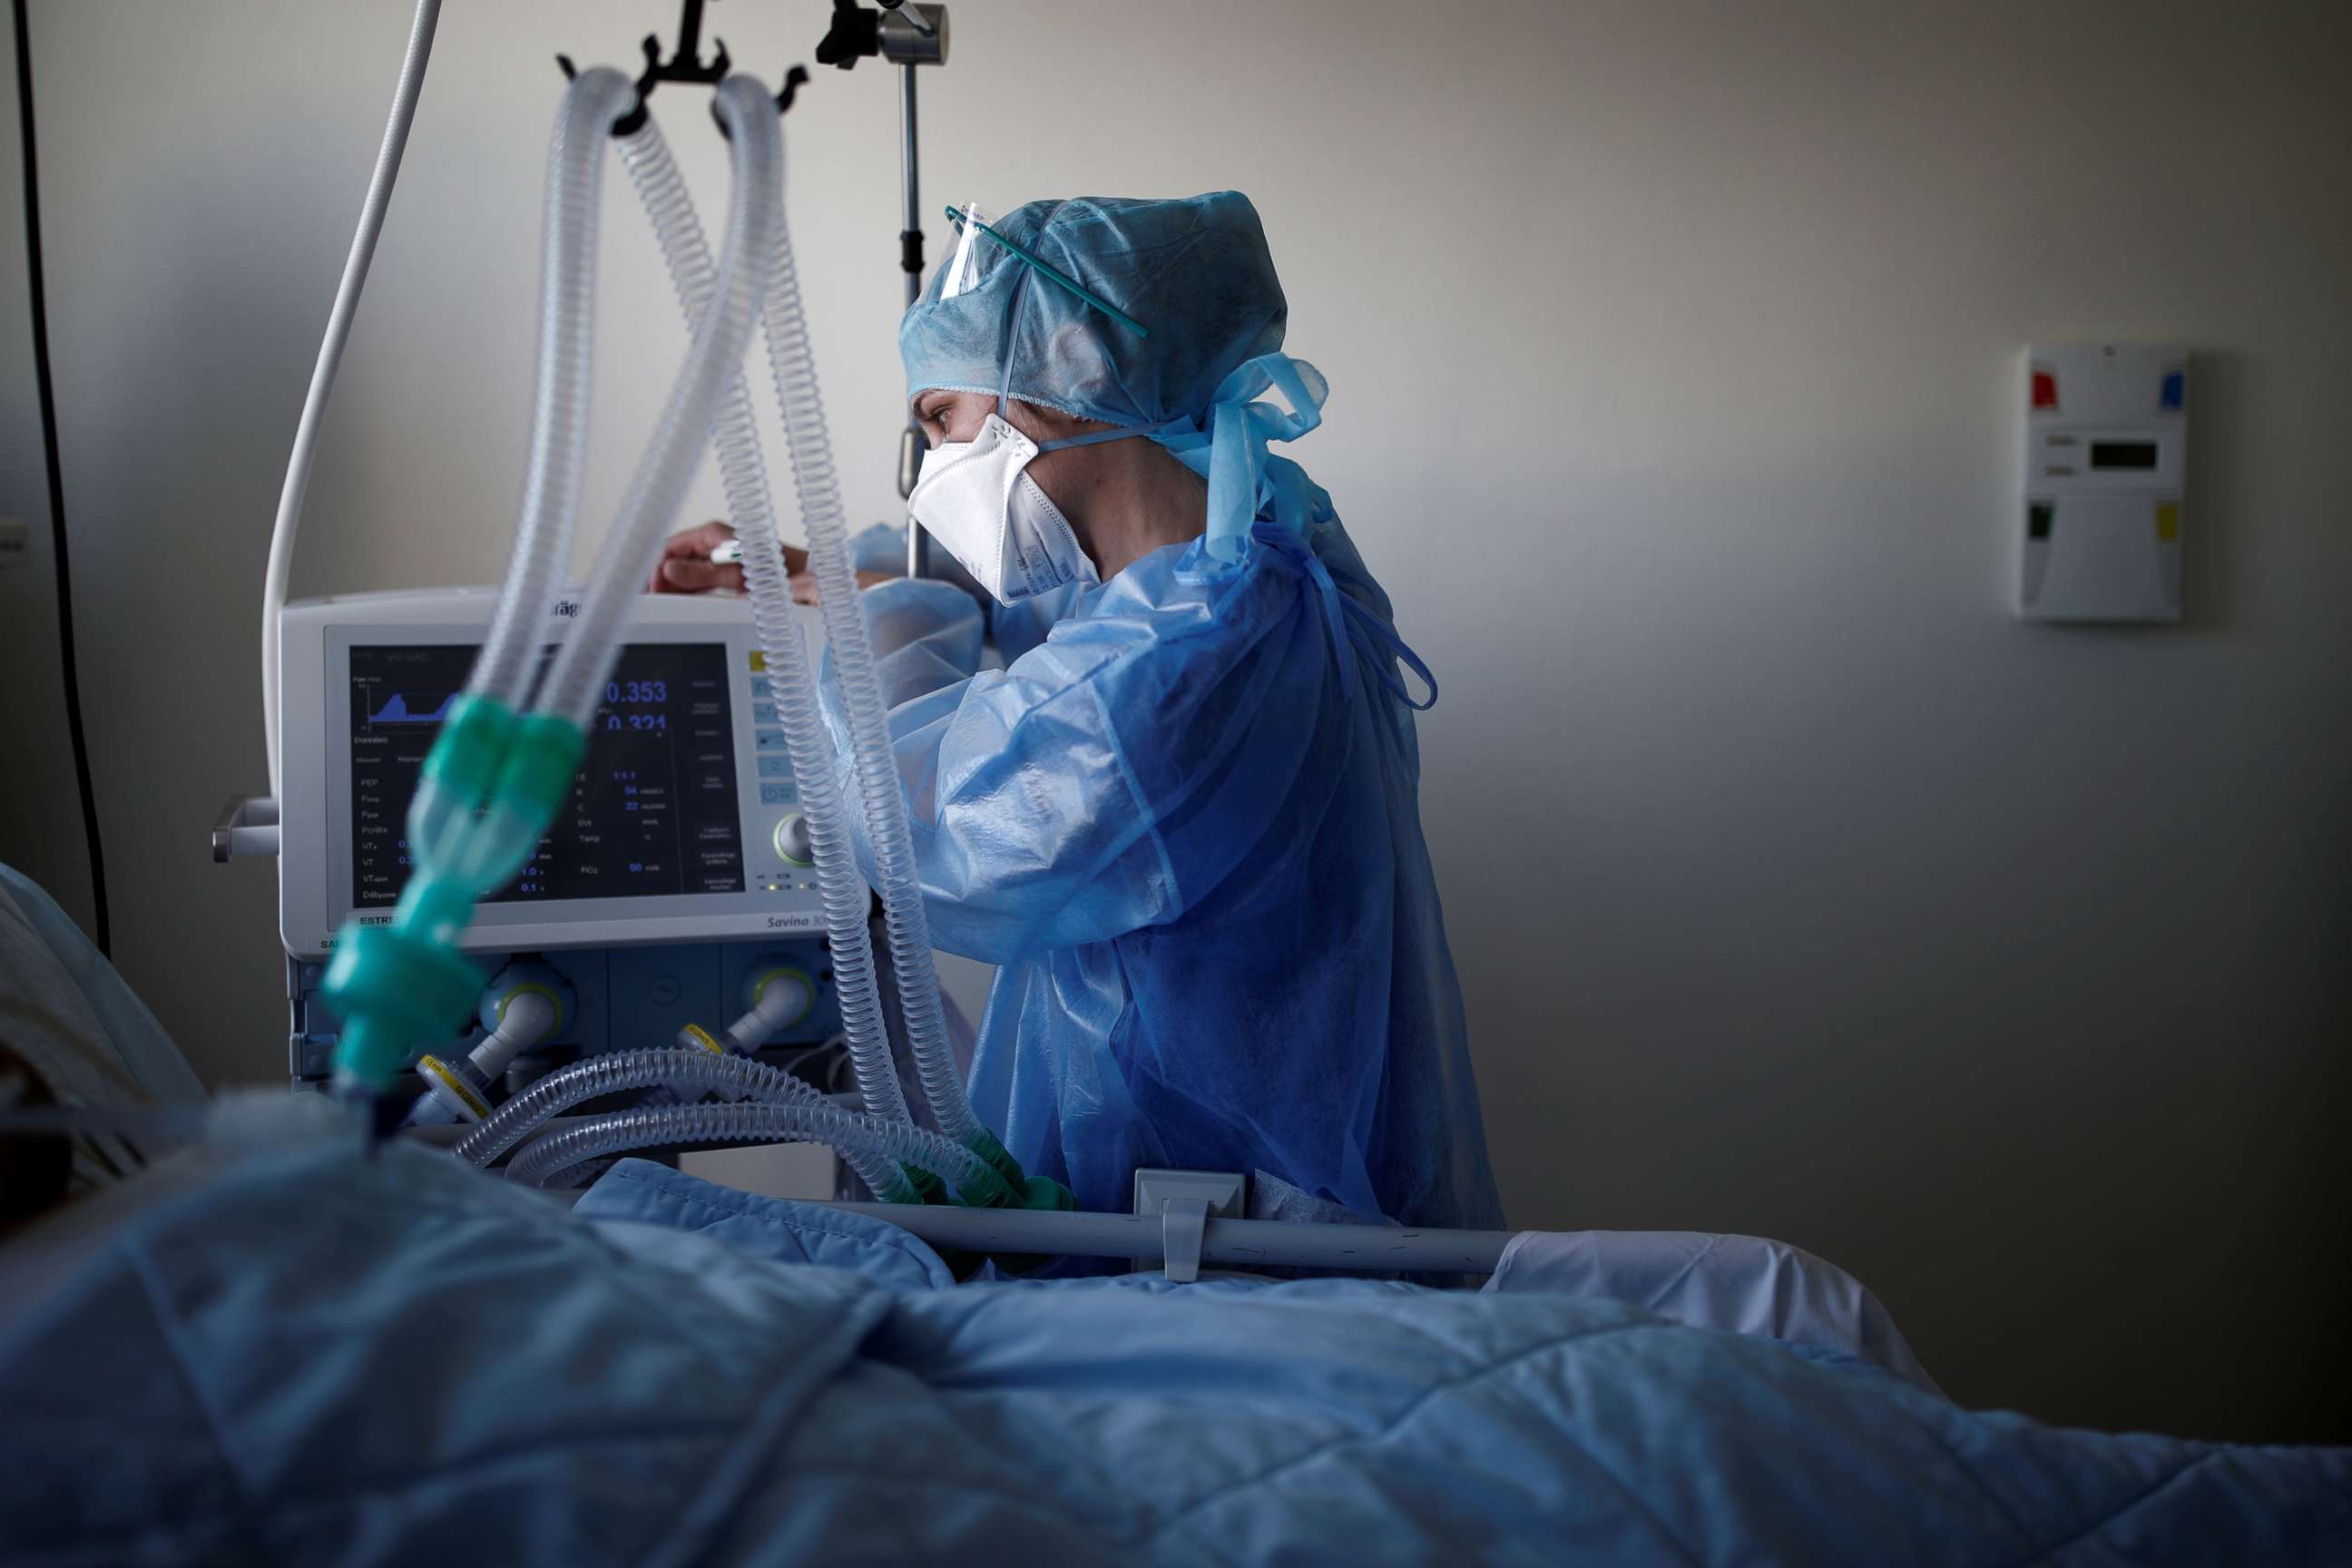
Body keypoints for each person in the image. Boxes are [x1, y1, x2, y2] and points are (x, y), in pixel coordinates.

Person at [652, 192, 1500, 1230]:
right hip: (1244, 1192)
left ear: (1067, 376)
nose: (937, 470)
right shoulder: (1252, 557)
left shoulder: (1182, 654)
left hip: (1211, 1226)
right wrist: (823, 573)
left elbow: (922, 821)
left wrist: (885, 612)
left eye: (942, 421)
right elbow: (1042, 623)